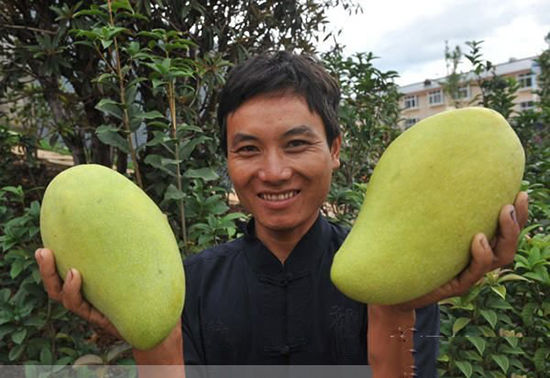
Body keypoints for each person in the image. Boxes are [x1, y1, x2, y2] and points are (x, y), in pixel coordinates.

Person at [35, 51, 528, 377]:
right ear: (228, 159)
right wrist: (146, 334)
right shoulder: (184, 288)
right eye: (247, 149)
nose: (273, 172)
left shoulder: (390, 273)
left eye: (296, 144)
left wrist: (399, 307)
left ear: (334, 149)